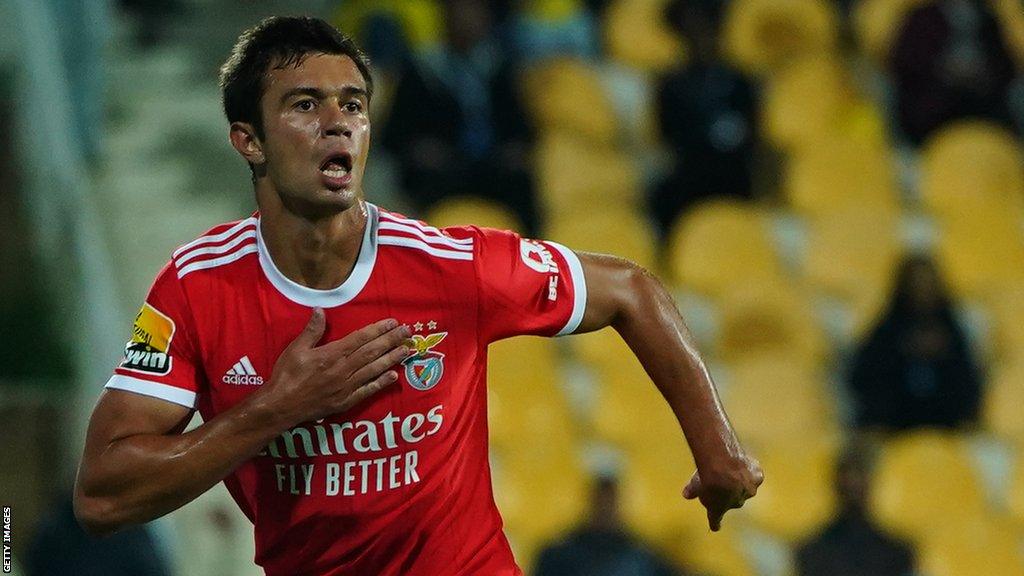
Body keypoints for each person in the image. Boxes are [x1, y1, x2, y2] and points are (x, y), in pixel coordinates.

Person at [72, 16, 762, 576]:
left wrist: (717, 451)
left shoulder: (447, 267)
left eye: (354, 105)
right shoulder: (197, 289)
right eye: (305, 105)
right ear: (247, 141)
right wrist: (275, 410)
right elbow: (102, 495)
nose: (338, 122)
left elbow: (630, 289)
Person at [650, 0, 759, 239]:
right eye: (692, 29)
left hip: (735, 181)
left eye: (707, 27)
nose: (701, 37)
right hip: (690, 184)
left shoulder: (739, 81)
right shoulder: (672, 85)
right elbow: (667, 137)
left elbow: (754, 137)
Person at [847, 254, 984, 431]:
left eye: (928, 284)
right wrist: (900, 351)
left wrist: (943, 356)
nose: (923, 290)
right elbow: (862, 378)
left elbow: (968, 385)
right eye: (917, 284)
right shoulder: (886, 330)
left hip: (947, 428)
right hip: (893, 426)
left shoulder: (952, 331)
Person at [795, 445, 916, 576]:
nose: (853, 483)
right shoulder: (812, 550)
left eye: (859, 477)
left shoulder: (898, 550)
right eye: (848, 478)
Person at [533, 475, 688, 576]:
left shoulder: (641, 557)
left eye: (610, 503)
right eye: (601, 503)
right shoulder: (559, 555)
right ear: (591, 503)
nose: (605, 509)